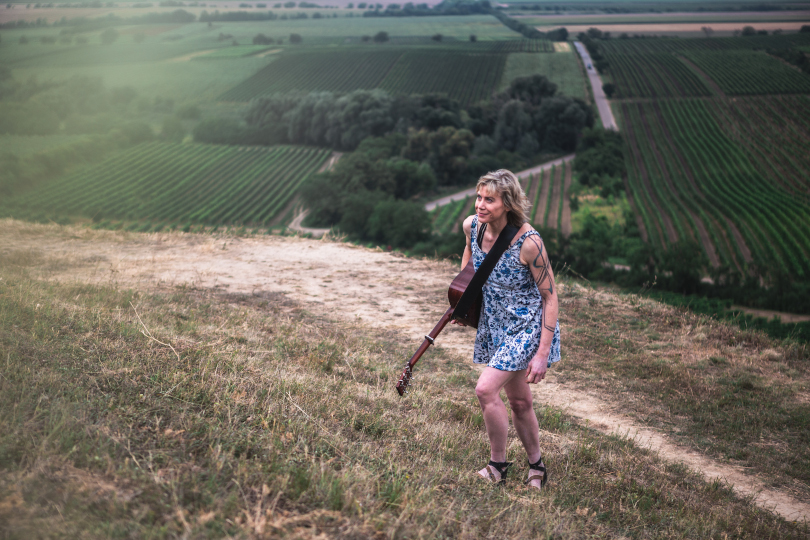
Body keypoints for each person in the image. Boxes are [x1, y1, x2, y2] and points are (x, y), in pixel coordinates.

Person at [453, 169, 561, 490]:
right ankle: (537, 466)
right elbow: (470, 259)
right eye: (479, 197)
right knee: (520, 402)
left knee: (486, 390)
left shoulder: (529, 244)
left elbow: (551, 297)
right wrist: (465, 298)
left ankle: (498, 465)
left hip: (526, 327)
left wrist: (541, 353)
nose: (480, 205)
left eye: (490, 200)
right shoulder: (471, 227)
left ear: (508, 203)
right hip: (494, 322)